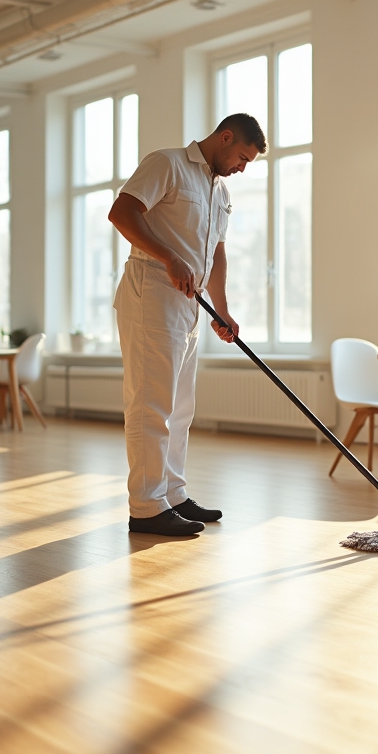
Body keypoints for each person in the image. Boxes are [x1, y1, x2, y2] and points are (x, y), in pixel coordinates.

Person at [108, 113, 266, 536]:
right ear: (226, 137)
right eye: (242, 157)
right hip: (152, 293)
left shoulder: (220, 191)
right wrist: (168, 257)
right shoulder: (168, 163)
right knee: (152, 404)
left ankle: (173, 495)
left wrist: (223, 308)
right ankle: (146, 507)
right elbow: (121, 213)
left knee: (180, 408)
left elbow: (216, 253)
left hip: (189, 302)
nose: (242, 168)